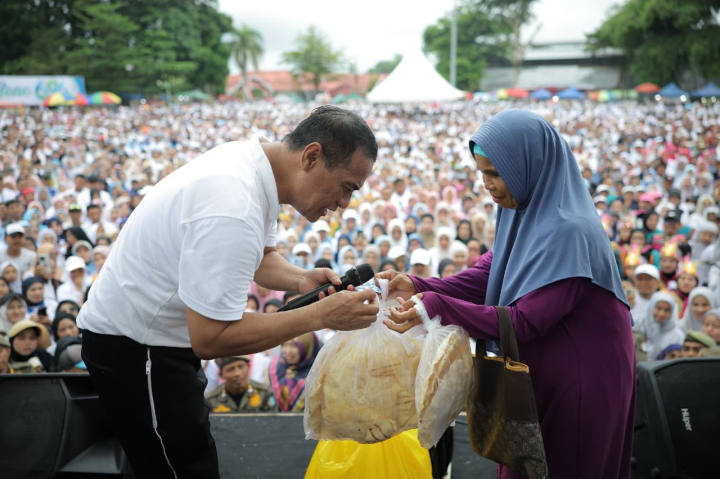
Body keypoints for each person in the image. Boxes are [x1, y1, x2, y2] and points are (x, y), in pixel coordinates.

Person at [77, 106, 380, 478]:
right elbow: (212, 337)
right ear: (311, 156)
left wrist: (301, 278)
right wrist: (320, 315)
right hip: (138, 347)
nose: (344, 203)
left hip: (154, 344)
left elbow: (259, 257)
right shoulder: (233, 203)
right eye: (347, 187)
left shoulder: (255, 168)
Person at [379, 110, 635, 478]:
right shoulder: (520, 211)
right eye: (482, 173)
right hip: (536, 373)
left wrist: (437, 305)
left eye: (496, 173)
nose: (487, 184)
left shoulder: (570, 230)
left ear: (530, 167)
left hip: (581, 378)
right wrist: (419, 285)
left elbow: (527, 321)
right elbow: (487, 274)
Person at [268, 332, 319, 412]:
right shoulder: (276, 368)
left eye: (294, 345)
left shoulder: (319, 373)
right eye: (285, 344)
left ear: (307, 346)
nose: (288, 350)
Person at [205, 356, 276, 413]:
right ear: (221, 375)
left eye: (240, 367)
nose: (237, 373)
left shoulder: (264, 393)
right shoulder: (210, 400)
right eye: (230, 369)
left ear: (248, 367)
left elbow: (273, 421)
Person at [633, 292, 685, 360]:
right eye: (658, 308)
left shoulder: (677, 335)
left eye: (667, 310)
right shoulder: (638, 325)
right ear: (651, 306)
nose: (661, 314)